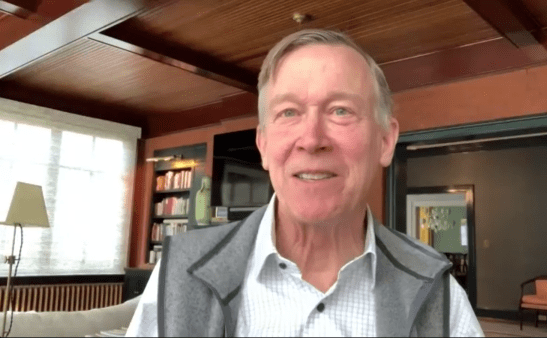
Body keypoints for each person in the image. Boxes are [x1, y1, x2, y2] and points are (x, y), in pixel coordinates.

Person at [126, 29, 483, 337]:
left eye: (340, 110)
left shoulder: (440, 298)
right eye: (289, 113)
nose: (312, 139)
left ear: (385, 141)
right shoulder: (180, 277)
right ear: (263, 145)